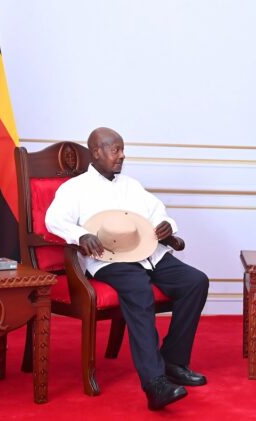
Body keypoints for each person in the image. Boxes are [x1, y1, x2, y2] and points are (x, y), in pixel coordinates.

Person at [45, 127, 209, 410]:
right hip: (109, 259)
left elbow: (158, 211)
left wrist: (167, 224)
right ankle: (155, 382)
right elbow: (53, 220)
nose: (122, 155)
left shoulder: (131, 185)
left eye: (122, 149)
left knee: (195, 282)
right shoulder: (74, 189)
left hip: (149, 254)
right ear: (96, 152)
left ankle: (174, 361)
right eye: (115, 149)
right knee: (139, 290)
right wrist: (79, 235)